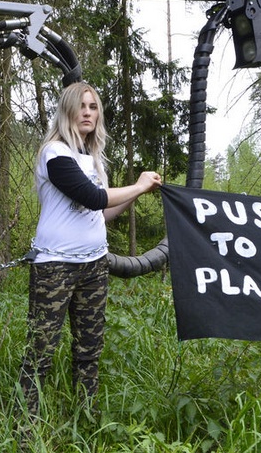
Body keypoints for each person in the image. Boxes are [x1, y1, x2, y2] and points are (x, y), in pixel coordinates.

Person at [19, 81, 162, 421]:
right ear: (67, 110)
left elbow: (103, 212)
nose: (87, 112)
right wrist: (138, 184)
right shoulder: (55, 154)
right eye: (81, 106)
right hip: (55, 266)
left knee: (89, 350)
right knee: (41, 350)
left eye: (93, 106)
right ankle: (25, 432)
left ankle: (86, 421)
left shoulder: (94, 160)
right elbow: (93, 198)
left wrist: (136, 194)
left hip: (94, 265)